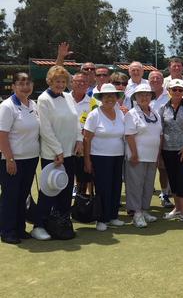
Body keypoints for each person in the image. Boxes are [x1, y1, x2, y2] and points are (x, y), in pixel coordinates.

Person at [35, 65, 83, 240]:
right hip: (52, 155)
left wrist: (79, 139)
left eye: (63, 81)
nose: (60, 84)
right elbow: (45, 129)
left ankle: (61, 223)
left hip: (70, 152)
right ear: (50, 81)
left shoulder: (68, 97)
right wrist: (58, 150)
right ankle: (39, 225)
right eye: (57, 81)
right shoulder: (43, 99)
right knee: (48, 191)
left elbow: (76, 120)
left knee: (65, 189)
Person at [0, 73, 40, 244]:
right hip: (12, 160)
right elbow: (2, 135)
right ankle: (7, 230)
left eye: (28, 82)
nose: (25, 86)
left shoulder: (33, 104)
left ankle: (19, 228)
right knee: (10, 196)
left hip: (31, 159)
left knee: (23, 195)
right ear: (14, 86)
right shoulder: (7, 106)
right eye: (21, 83)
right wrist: (9, 159)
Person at [83, 84, 126, 231]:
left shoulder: (120, 112)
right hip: (99, 157)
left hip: (118, 156)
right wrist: (87, 160)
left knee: (115, 186)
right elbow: (86, 139)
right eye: (106, 96)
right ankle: (101, 219)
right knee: (102, 188)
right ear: (101, 98)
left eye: (112, 96)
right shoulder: (94, 114)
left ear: (116, 98)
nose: (109, 99)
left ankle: (113, 216)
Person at [124, 84, 163, 228]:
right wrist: (134, 154)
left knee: (148, 185)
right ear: (135, 98)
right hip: (137, 157)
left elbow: (159, 135)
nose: (144, 97)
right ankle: (137, 213)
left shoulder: (155, 113)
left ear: (151, 96)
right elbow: (129, 135)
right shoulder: (131, 114)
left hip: (152, 156)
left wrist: (158, 155)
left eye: (147, 94)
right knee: (135, 185)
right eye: (141, 95)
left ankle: (145, 210)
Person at [159, 79, 183, 223]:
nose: (177, 92)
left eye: (180, 90)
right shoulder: (162, 108)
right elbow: (161, 130)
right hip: (167, 149)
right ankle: (177, 208)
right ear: (169, 91)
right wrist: (160, 151)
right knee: (172, 179)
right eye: (174, 90)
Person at [148, 70, 173, 209]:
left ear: (163, 81)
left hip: (165, 138)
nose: (155, 80)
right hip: (146, 139)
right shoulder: (143, 94)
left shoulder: (169, 95)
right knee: (147, 169)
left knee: (163, 168)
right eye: (153, 78)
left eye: (158, 78)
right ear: (149, 81)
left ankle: (165, 194)